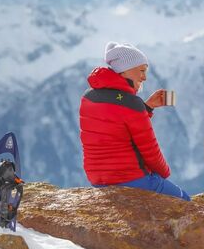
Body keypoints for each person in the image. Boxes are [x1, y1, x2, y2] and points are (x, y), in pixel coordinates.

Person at [79, 41, 190, 201]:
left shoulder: (89, 96)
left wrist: (147, 107)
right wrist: (164, 175)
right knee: (184, 201)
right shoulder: (132, 103)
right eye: (142, 71)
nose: (144, 77)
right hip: (131, 179)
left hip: (98, 179)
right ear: (125, 71)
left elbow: (114, 124)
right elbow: (150, 151)